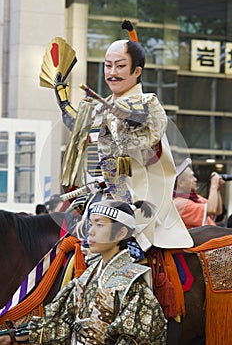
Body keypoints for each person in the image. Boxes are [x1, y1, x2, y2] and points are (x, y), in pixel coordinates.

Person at [55, 20, 193, 250]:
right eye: (108, 66)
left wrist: (127, 115)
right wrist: (62, 98)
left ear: (137, 71)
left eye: (120, 66)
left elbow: (147, 121)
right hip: (104, 188)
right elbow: (79, 126)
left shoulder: (148, 102)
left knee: (120, 236)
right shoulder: (101, 105)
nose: (112, 72)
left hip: (137, 190)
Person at [0, 199, 167, 344]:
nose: (91, 232)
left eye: (99, 225)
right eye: (91, 224)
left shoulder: (133, 286)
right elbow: (61, 325)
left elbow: (140, 338)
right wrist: (13, 336)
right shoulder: (86, 277)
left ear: (121, 233)